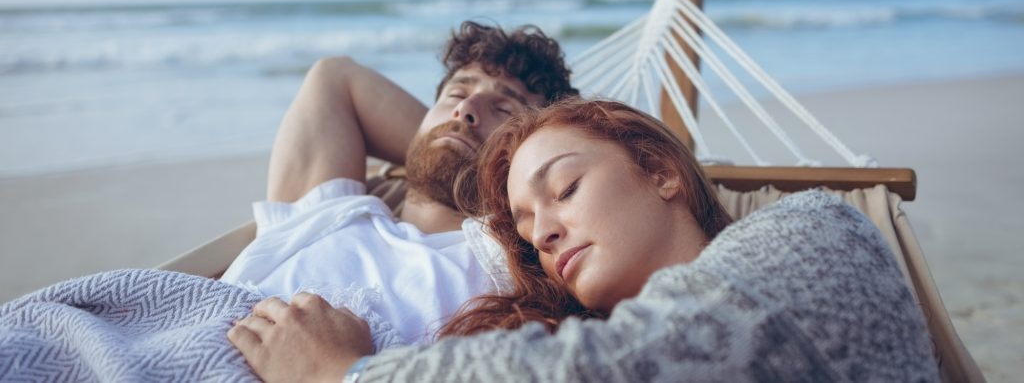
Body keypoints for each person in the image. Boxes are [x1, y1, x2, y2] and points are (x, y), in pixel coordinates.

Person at [230, 99, 941, 382]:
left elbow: (627, 364)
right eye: (529, 231)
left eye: (564, 189)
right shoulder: (557, 329)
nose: (545, 231)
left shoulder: (815, 229)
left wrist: (339, 374)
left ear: (660, 170)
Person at [220, 21, 577, 350]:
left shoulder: (515, 266)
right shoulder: (326, 215)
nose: (466, 108)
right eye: (455, 94)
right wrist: (446, 145)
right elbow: (333, 75)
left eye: (503, 109)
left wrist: (504, 168)